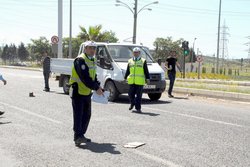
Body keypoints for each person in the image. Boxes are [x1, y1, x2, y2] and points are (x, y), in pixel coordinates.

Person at [69, 41, 104, 146]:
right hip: (78, 91)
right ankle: (77, 137)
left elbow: (93, 76)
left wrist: (98, 86)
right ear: (85, 49)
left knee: (87, 114)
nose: (92, 50)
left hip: (87, 92)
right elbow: (84, 77)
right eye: (90, 48)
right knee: (78, 115)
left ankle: (81, 135)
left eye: (94, 48)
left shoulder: (92, 59)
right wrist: (95, 87)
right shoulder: (80, 60)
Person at [124, 47, 150, 113]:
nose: (135, 54)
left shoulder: (143, 61)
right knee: (130, 94)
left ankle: (138, 108)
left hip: (140, 81)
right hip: (131, 81)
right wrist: (125, 78)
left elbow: (146, 71)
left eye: (137, 52)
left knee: (139, 96)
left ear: (139, 53)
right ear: (133, 53)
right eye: (134, 52)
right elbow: (128, 71)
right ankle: (132, 103)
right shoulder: (130, 61)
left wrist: (148, 79)